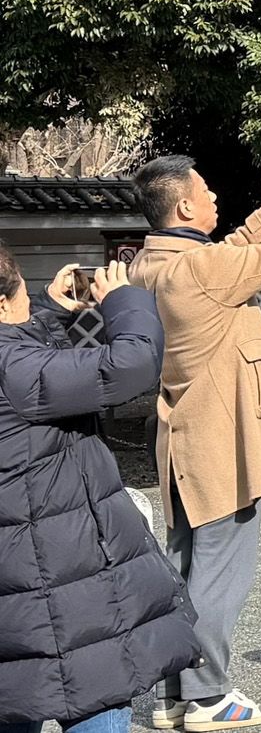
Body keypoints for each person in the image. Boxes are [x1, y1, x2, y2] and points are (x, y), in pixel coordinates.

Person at [130, 153, 261, 731]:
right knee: (220, 570)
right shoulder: (199, 270)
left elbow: (239, 250)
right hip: (223, 441)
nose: (217, 199)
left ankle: (177, 692)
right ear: (185, 205)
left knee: (186, 565)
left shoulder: (154, 264)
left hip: (184, 438)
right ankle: (209, 696)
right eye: (208, 191)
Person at [0, 243, 197, 733]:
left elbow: (29, 364)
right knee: (97, 687)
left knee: (17, 693)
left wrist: (48, 311)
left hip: (14, 582)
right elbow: (130, 364)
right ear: (2, 305)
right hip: (63, 575)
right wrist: (125, 300)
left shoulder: (18, 366)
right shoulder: (16, 373)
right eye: (24, 293)